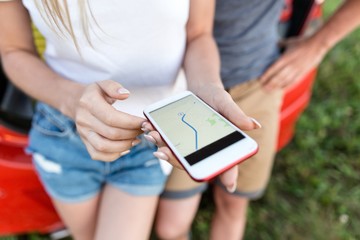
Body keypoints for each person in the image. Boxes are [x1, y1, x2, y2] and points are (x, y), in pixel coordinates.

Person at [0, 1, 258, 239]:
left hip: (152, 133)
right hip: (65, 132)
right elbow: (13, 50)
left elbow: (198, 33)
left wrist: (207, 89)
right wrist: (73, 100)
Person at [151, 0, 360, 239]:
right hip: (189, 87)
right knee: (170, 224)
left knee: (232, 203)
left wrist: (318, 45)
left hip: (257, 84)